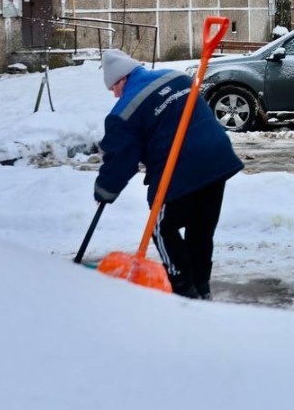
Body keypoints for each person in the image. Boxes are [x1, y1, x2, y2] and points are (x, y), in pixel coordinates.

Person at [94, 49, 244, 299]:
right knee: (201, 230)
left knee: (161, 227)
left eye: (113, 88)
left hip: (179, 169)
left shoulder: (124, 111)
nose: (114, 94)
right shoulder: (178, 79)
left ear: (121, 80)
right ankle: (201, 288)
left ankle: (183, 288)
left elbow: (121, 158)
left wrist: (105, 190)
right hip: (217, 161)